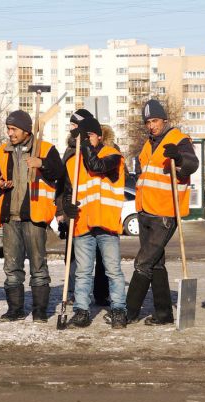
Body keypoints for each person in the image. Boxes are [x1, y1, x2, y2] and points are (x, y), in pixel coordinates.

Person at [0, 110, 64, 323]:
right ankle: (15, 309)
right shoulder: (2, 152)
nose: (10, 133)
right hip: (11, 217)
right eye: (8, 129)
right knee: (11, 266)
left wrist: (42, 164)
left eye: (14, 129)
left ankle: (39, 311)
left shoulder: (45, 149)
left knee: (38, 265)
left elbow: (59, 174)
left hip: (34, 217)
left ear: (26, 131)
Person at [125, 99, 199, 325]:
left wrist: (178, 158)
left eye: (155, 121)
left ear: (165, 120)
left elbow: (191, 164)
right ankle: (164, 313)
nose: (151, 126)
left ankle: (129, 312)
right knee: (155, 264)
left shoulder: (179, 140)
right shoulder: (148, 145)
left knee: (143, 262)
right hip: (146, 210)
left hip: (166, 212)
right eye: (148, 122)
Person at [61, 117, 128, 329]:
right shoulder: (73, 162)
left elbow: (96, 166)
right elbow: (68, 192)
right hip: (83, 224)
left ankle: (119, 309)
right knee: (82, 272)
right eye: (82, 136)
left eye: (89, 135)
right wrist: (67, 208)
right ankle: (81, 310)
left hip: (106, 223)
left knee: (113, 270)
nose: (85, 139)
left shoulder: (112, 155)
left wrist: (85, 147)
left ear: (99, 136)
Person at [56, 109, 110, 307]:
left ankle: (101, 293)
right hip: (75, 212)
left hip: (100, 211)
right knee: (74, 256)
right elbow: (63, 184)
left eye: (74, 125)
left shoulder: (107, 149)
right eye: (71, 125)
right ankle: (73, 292)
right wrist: (61, 210)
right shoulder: (70, 151)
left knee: (102, 257)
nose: (71, 129)